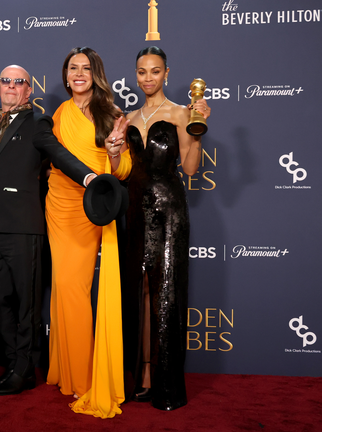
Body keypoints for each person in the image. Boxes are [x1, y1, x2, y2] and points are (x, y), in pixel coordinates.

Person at [0, 64, 122, 397]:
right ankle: (12, 364)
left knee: (27, 303)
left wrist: (88, 177)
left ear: (29, 90)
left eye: (20, 83)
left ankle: (25, 370)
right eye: (6, 82)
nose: (12, 87)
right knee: (1, 301)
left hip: (24, 226)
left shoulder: (39, 122)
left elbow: (58, 153)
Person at [44, 47, 132, 419]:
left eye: (86, 68)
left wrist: (114, 151)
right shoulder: (60, 113)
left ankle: (82, 378)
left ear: (96, 74)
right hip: (57, 204)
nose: (78, 74)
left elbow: (123, 170)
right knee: (64, 287)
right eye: (72, 68)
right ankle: (66, 371)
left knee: (75, 288)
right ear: (65, 76)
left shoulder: (112, 114)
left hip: (91, 208)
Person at [122, 46, 210, 411]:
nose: (147, 78)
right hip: (133, 208)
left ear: (167, 74)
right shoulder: (127, 118)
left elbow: (189, 169)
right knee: (138, 293)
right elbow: (123, 170)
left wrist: (199, 128)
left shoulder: (180, 113)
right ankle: (141, 375)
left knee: (166, 294)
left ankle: (166, 381)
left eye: (154, 72)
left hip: (169, 210)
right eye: (141, 72)